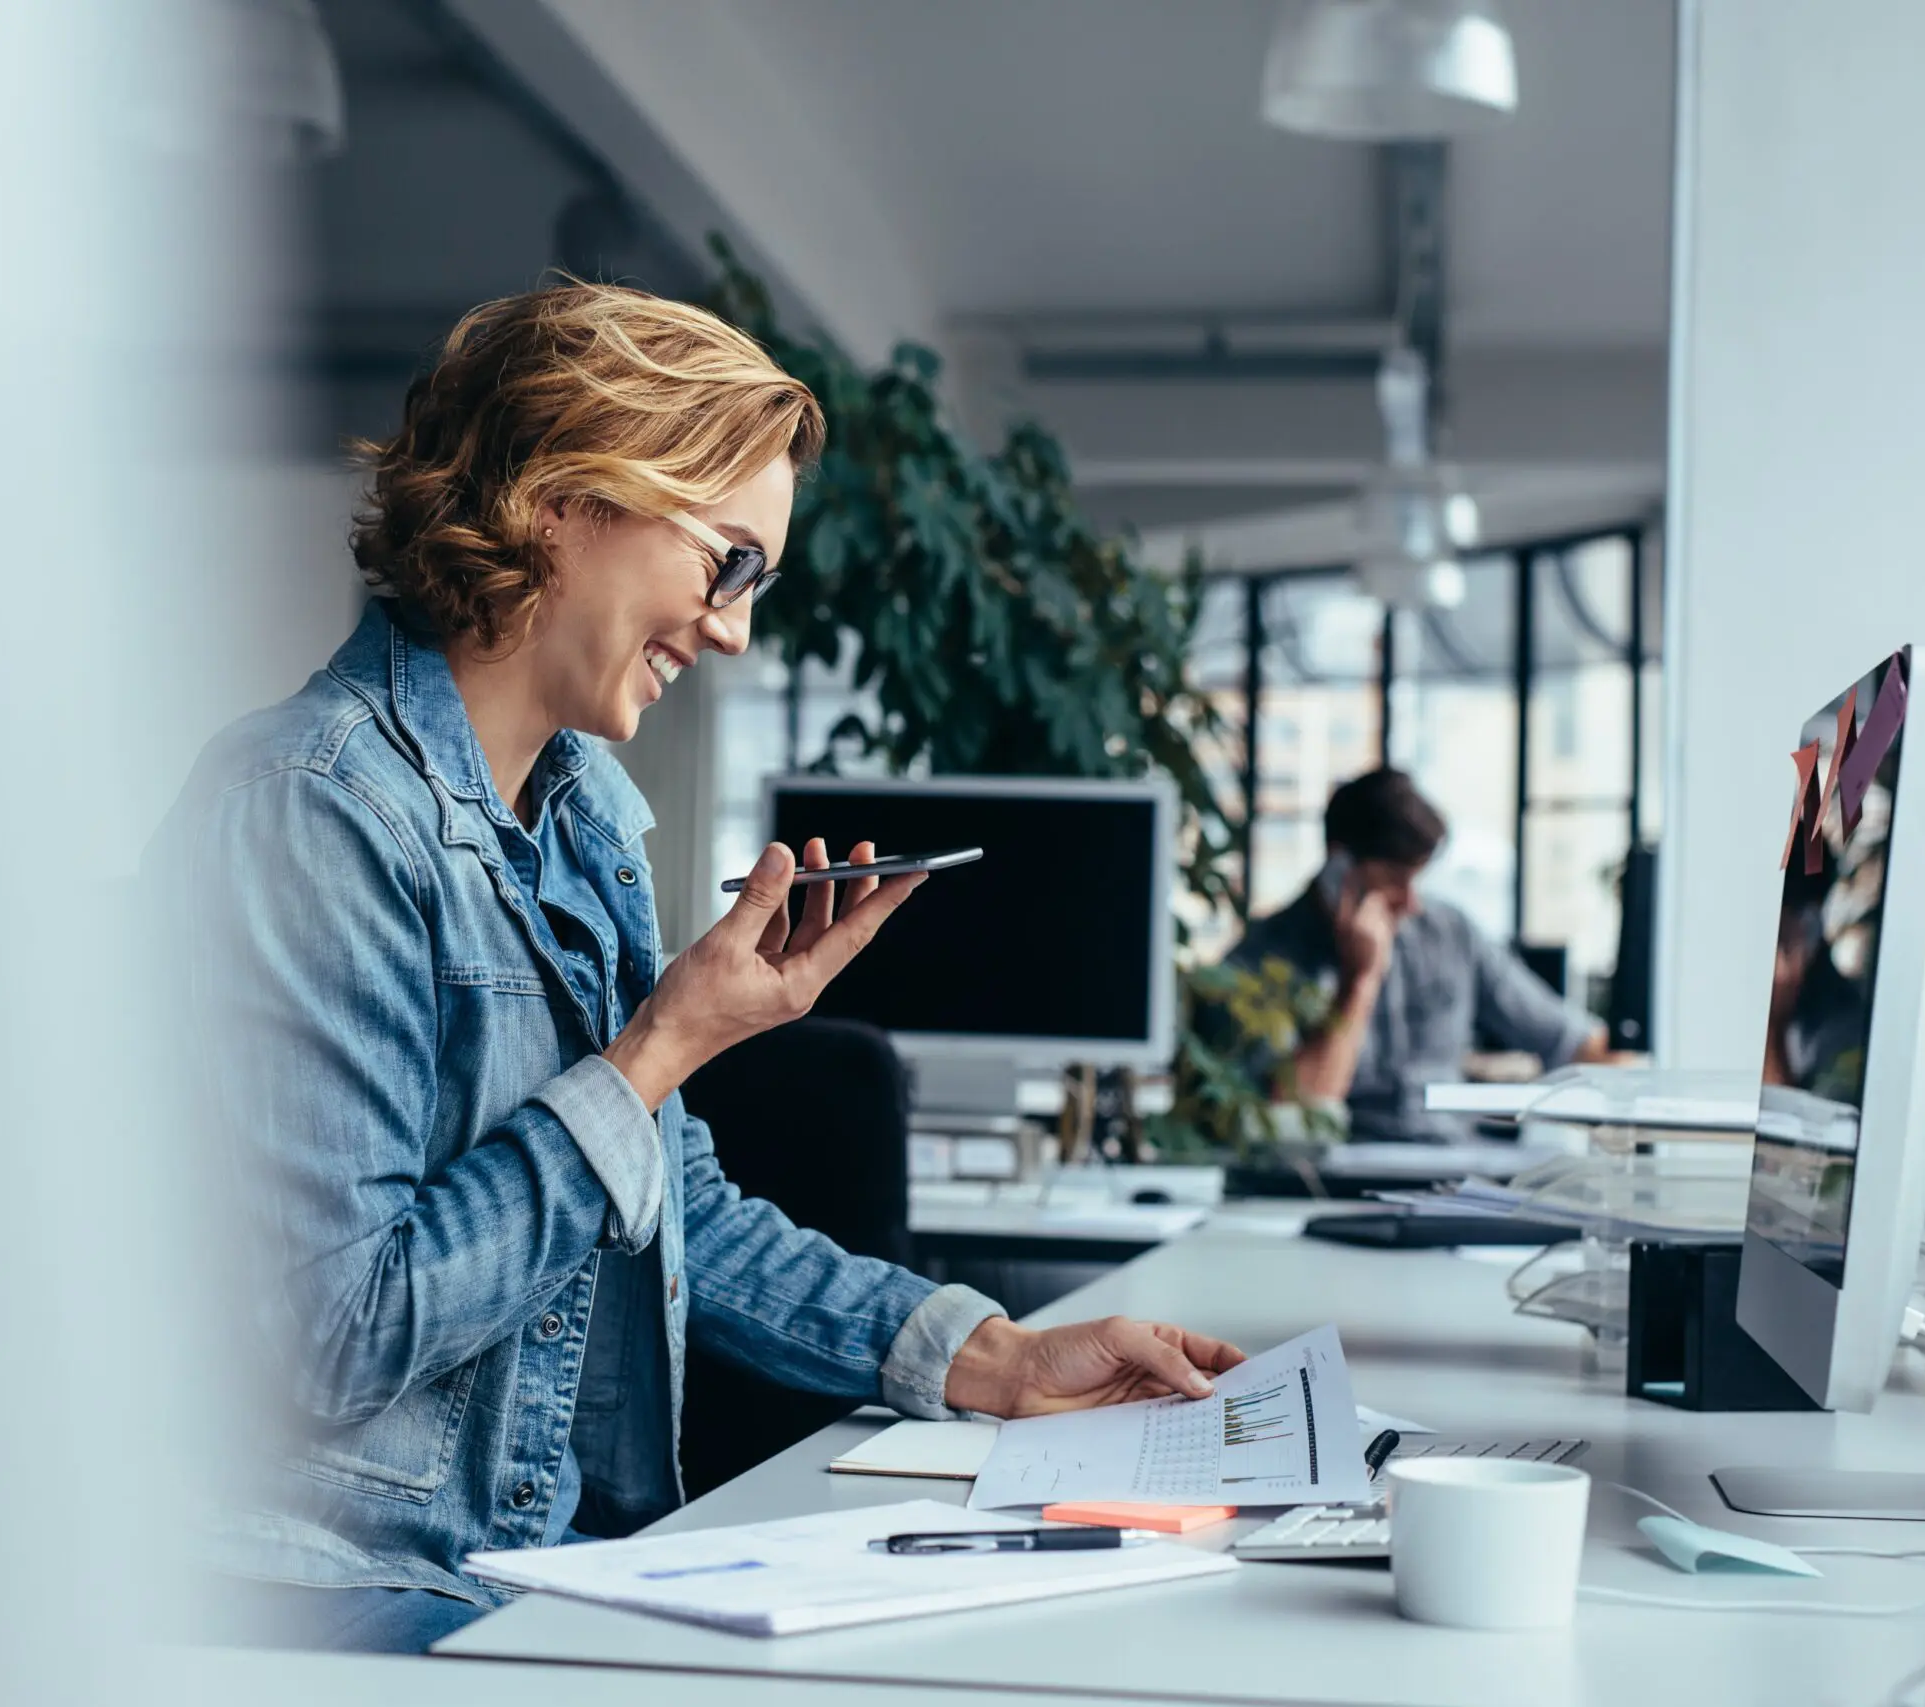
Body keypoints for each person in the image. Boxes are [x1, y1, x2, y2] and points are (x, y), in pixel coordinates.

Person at [154, 284, 1243, 1655]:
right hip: (331, 1575)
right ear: (564, 495)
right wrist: (659, 1048)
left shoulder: (587, 811)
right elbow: (330, 1332)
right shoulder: (310, 811)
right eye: (726, 562)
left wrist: (1000, 1358)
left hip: (545, 1559)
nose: (734, 629)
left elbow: (673, 1207)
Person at [1223, 768, 1613, 1142]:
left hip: (1451, 1159)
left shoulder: (1449, 933)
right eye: (1395, 881)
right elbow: (1295, 1108)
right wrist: (1360, 979)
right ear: (1339, 864)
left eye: (1417, 880)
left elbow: (1569, 1039)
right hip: (1335, 1166)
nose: (1411, 903)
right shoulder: (1262, 957)